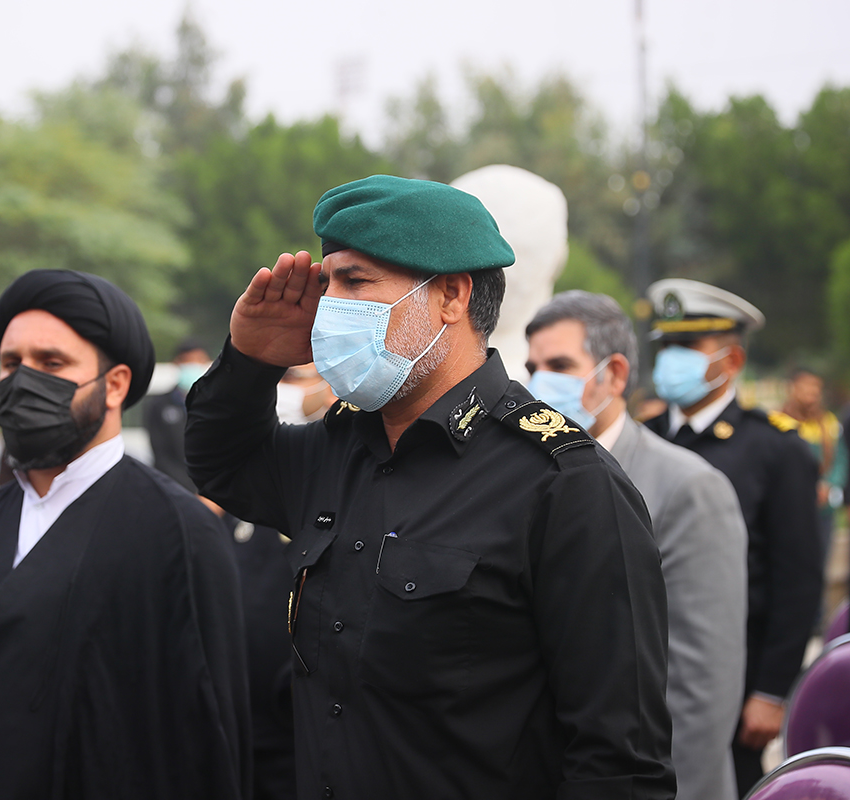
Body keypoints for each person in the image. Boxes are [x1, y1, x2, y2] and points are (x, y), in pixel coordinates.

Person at [185, 175, 675, 799]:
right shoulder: (340, 449)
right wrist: (250, 361)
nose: (328, 307)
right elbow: (222, 463)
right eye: (328, 283)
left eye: (355, 283)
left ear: (450, 295)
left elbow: (619, 762)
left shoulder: (564, 485)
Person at [0, 270, 251, 800]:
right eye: (11, 363)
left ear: (115, 385)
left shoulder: (178, 531)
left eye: (52, 363)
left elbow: (209, 738)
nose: (23, 381)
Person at [525, 290, 748, 800]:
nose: (539, 384)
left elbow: (701, 684)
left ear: (615, 375)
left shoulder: (687, 486)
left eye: (560, 366)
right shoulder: (527, 474)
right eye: (532, 367)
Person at [641, 278, 824, 795]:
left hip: (738, 676)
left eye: (687, 346)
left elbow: (797, 579)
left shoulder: (777, 449)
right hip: (649, 673)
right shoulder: (644, 439)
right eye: (666, 346)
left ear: (733, 360)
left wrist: (771, 691)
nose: (671, 359)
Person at [775, 367, 846, 574]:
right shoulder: (777, 423)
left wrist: (829, 485)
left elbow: (840, 461)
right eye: (806, 385)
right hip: (789, 508)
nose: (812, 391)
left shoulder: (828, 423)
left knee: (820, 565)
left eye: (816, 387)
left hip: (822, 508)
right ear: (792, 388)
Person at [142, 339, 210, 490]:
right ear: (176, 363)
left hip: (214, 493)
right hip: (174, 489)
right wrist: (191, 491)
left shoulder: (219, 403)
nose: (193, 366)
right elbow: (161, 455)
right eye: (187, 361)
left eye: (198, 360)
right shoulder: (158, 405)